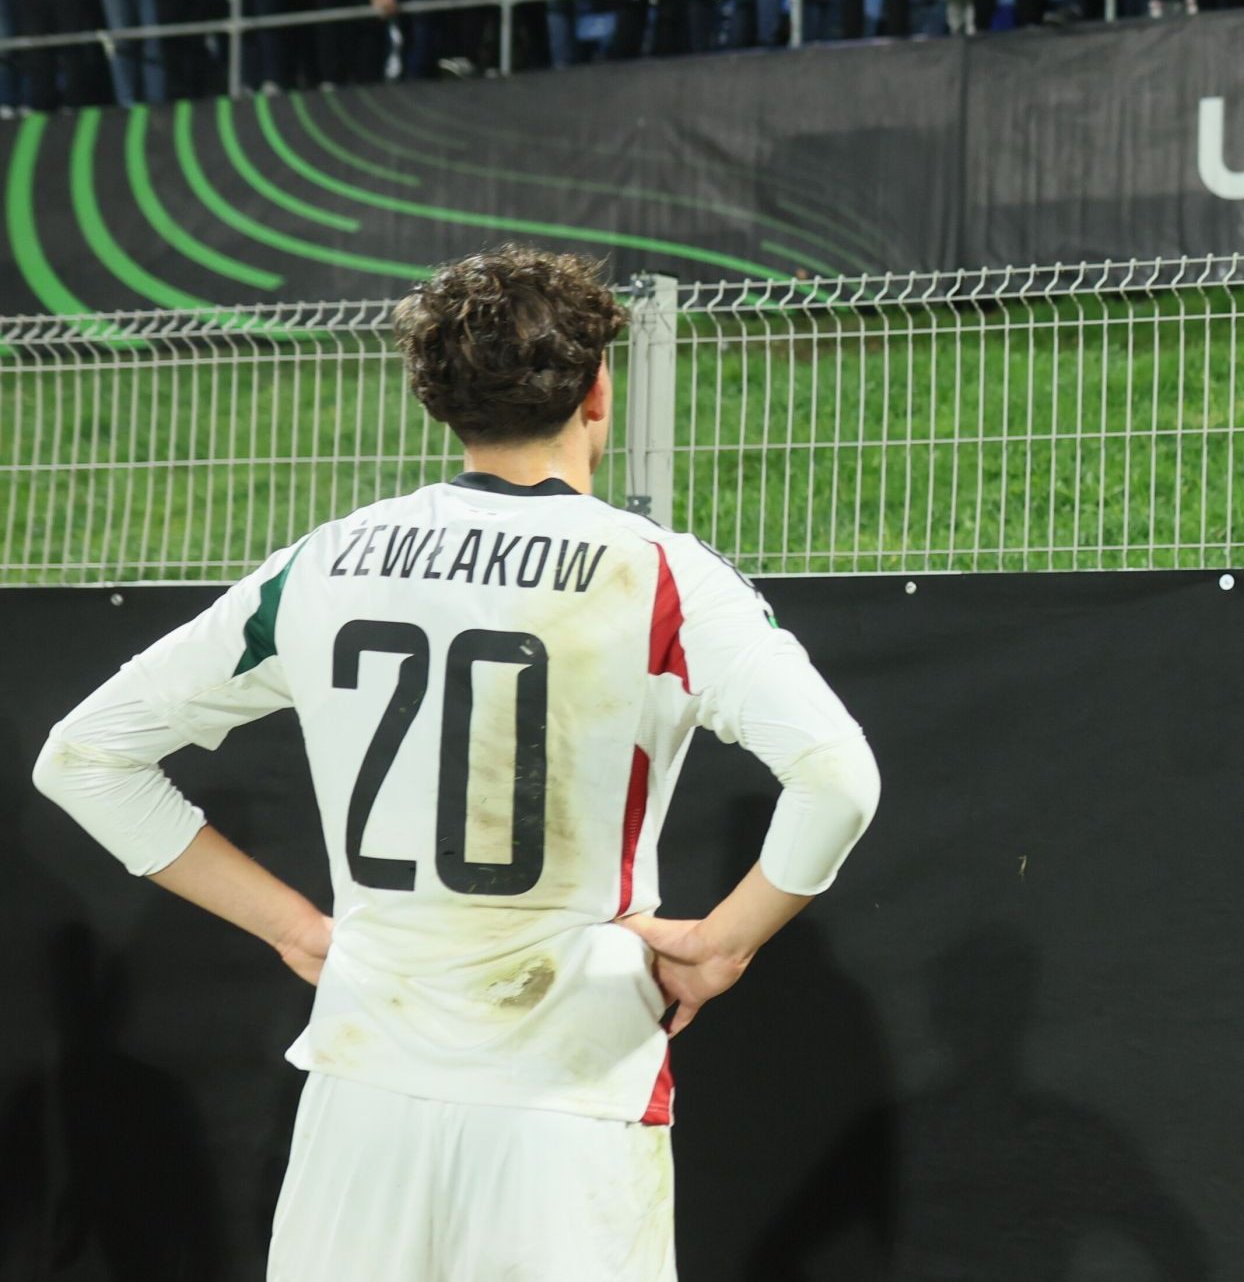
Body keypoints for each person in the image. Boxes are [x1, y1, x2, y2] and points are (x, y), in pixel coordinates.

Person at [26, 245, 883, 1282]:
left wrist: (294, 928)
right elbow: (837, 777)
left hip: (364, 1084)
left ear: (437, 400)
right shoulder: (657, 574)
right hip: (568, 1087)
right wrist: (721, 945)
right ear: (599, 389)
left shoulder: (325, 561)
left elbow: (84, 758)